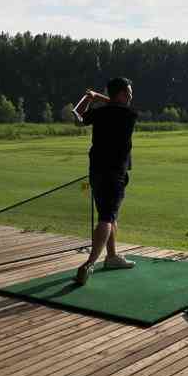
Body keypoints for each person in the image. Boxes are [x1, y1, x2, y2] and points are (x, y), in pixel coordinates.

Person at [72, 77, 137, 285]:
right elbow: (115, 105)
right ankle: (89, 263)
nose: (130, 94)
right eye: (127, 91)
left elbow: (77, 117)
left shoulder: (100, 113)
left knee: (108, 214)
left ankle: (112, 257)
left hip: (96, 171)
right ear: (119, 94)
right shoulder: (128, 114)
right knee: (107, 218)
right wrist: (99, 96)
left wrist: (89, 98)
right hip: (114, 173)